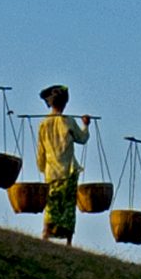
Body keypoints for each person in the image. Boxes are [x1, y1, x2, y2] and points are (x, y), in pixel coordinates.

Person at [36, 86, 89, 242]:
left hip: (51, 172)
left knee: (51, 204)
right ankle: (68, 240)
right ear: (65, 103)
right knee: (67, 206)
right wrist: (86, 125)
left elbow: (41, 150)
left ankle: (46, 233)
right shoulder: (68, 122)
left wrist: (42, 167)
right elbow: (82, 138)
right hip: (68, 171)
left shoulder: (44, 124)